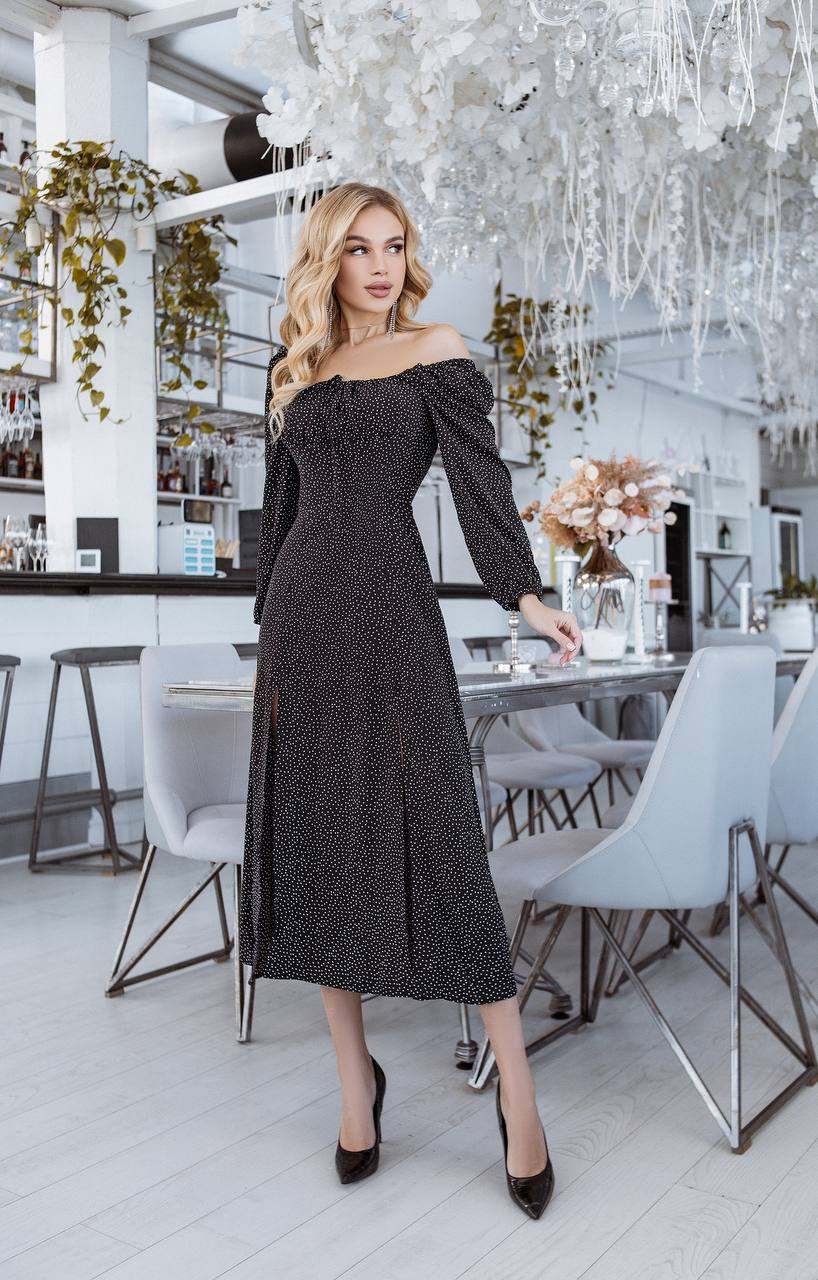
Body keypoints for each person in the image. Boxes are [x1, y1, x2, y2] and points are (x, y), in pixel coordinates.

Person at [242, 182, 582, 1221]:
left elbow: (482, 489)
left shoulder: (435, 348)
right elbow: (280, 508)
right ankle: (358, 1086)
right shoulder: (293, 367)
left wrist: (524, 595)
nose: (379, 265)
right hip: (302, 628)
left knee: (442, 836)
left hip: (394, 614)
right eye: (357, 248)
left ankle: (517, 1100)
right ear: (325, 260)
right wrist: (268, 630)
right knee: (320, 847)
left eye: (393, 246)